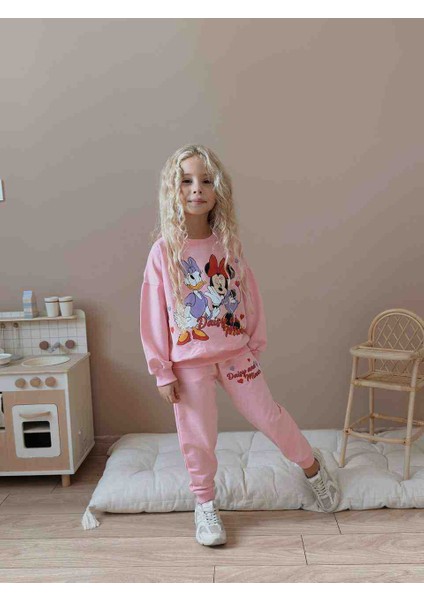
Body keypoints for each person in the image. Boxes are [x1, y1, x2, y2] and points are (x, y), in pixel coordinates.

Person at [140, 144, 340, 547]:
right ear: (173, 190)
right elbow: (152, 312)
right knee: (197, 436)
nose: (197, 189)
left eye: (206, 181)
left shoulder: (227, 244)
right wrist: (161, 369)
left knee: (269, 416)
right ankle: (205, 505)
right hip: (189, 360)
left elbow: (249, 295)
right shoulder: (164, 251)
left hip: (235, 352)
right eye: (186, 181)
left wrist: (254, 342)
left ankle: (313, 468)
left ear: (218, 190)